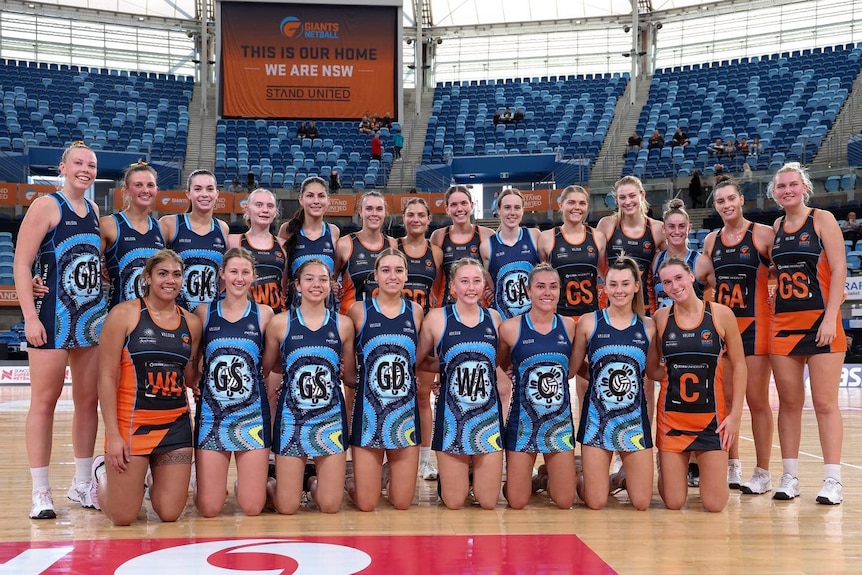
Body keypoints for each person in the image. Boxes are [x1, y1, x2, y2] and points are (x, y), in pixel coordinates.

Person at [13, 141, 109, 519]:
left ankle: (82, 483)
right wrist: (30, 317)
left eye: (92, 164)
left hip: (89, 317)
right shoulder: (45, 205)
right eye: (79, 163)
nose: (86, 169)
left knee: (88, 402)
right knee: (45, 402)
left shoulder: (96, 210)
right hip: (51, 317)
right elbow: (22, 264)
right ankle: (40, 491)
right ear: (63, 167)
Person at [90, 249, 203, 525]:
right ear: (148, 278)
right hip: (132, 425)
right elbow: (105, 377)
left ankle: (147, 477)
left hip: (175, 426)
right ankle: (101, 476)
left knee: (169, 513)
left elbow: (189, 377)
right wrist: (113, 435)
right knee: (123, 516)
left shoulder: (192, 323)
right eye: (162, 273)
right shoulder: (124, 315)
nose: (170, 280)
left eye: (177, 274)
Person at [768, 162, 846, 505]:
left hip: (820, 324)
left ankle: (833, 480)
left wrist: (831, 317)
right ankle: (790, 476)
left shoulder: (822, 219)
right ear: (774, 192)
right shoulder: (776, 225)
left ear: (804, 188)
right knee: (789, 404)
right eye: (781, 186)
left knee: (826, 403)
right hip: (783, 325)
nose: (787, 190)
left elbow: (841, 267)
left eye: (792, 185)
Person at [696, 176, 775, 495]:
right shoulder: (711, 241)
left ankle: (764, 471)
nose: (726, 205)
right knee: (726, 402)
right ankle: (733, 464)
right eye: (720, 201)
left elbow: (785, 271)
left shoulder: (763, 234)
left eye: (731, 199)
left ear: (741, 199)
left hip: (755, 329)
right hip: (723, 331)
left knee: (756, 402)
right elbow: (708, 281)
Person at [652, 256, 747, 512]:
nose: (674, 286)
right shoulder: (661, 318)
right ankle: (653, 470)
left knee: (715, 505)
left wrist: (736, 414)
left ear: (692, 277)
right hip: (672, 420)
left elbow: (739, 365)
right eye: (667, 282)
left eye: (679, 278)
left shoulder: (721, 314)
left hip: (710, 422)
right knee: (673, 502)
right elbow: (651, 369)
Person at [261, 258, 356, 514]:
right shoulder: (280, 323)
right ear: (298, 285)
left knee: (330, 506)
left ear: (331, 285)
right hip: (292, 421)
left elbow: (350, 377)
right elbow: (265, 368)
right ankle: (266, 485)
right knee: (287, 507)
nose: (317, 284)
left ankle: (313, 481)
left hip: (330, 420)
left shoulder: (344, 325)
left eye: (323, 279)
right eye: (310, 279)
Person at [569, 256, 660, 511]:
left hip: (633, 422)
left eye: (625, 284)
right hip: (597, 421)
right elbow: (573, 369)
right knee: (595, 502)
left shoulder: (649, 327)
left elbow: (653, 372)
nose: (619, 290)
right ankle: (576, 475)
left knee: (642, 502)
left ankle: (617, 477)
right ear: (605, 287)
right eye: (613, 284)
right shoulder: (589, 322)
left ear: (635, 287)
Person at [415, 258, 504, 510]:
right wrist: (446, 368)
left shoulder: (494, 319)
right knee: (454, 502)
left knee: (488, 502)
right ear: (453, 287)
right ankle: (454, 477)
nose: (471, 287)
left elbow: (499, 361)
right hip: (452, 419)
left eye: (477, 281)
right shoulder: (436, 318)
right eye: (464, 282)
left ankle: (474, 473)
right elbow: (418, 360)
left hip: (487, 419)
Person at [193, 248, 275, 517]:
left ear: (253, 276)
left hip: (251, 416)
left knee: (252, 507)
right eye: (233, 272)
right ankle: (208, 486)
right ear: (222, 275)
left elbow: (267, 365)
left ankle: (249, 483)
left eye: (245, 272)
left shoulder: (264, 314)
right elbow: (194, 363)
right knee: (209, 508)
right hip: (212, 416)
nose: (239, 278)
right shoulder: (204, 313)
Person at [347, 249, 424, 511]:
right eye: (386, 270)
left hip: (403, 415)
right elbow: (347, 365)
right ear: (376, 275)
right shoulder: (358, 311)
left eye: (399, 270)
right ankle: (353, 481)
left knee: (402, 503)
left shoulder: (416, 311)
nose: (393, 276)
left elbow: (419, 359)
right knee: (366, 504)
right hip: (369, 416)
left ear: (406, 276)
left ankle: (387, 473)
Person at [497, 263, 576, 510]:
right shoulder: (510, 328)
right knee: (517, 502)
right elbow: (500, 362)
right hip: (523, 423)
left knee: (564, 501)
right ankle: (521, 481)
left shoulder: (570, 326)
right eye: (540, 286)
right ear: (528, 290)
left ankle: (543, 477)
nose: (547, 293)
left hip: (558, 422)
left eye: (553, 287)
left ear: (560, 290)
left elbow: (574, 368)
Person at [397, 198, 445, 481]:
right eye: (410, 214)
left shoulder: (436, 253)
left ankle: (425, 460)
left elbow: (437, 293)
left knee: (423, 397)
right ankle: (395, 454)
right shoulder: (393, 247)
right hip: (396, 328)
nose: (415, 219)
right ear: (403, 218)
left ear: (429, 219)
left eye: (420, 214)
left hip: (423, 331)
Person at [159, 169, 229, 311]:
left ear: (217, 194)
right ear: (188, 194)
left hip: (209, 315)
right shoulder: (170, 224)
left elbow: (222, 276)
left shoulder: (222, 228)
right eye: (198, 189)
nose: (204, 194)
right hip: (174, 314)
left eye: (209, 189)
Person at [596, 175, 666, 316]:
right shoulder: (606, 225)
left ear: (642, 195)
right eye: (622, 197)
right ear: (616, 200)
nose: (628, 202)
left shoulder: (658, 229)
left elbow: (668, 263)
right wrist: (616, 282)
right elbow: (598, 263)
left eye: (632, 196)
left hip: (645, 302)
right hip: (613, 300)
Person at [102, 162, 166, 309]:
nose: (145, 190)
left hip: (154, 318)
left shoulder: (162, 228)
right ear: (125, 190)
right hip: (120, 316)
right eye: (138, 185)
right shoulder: (109, 225)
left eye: (150, 185)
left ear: (156, 189)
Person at [538, 185, 607, 320]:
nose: (577, 207)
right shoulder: (546, 238)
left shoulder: (598, 237)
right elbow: (541, 277)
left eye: (582, 203)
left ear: (587, 206)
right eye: (571, 202)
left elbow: (605, 275)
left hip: (591, 316)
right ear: (561, 204)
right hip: (559, 315)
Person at [278, 176, 341, 309]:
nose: (316, 201)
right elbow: (282, 274)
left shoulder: (333, 231)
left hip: (327, 311)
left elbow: (334, 276)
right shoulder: (287, 230)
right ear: (301, 199)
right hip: (295, 312)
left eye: (321, 196)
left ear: (328, 201)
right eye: (310, 196)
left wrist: (335, 284)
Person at [479, 189, 541, 320]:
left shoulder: (535, 236)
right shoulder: (487, 246)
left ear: (522, 210)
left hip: (533, 319)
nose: (512, 212)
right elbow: (490, 285)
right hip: (503, 320)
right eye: (507, 207)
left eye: (517, 208)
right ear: (499, 210)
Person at [430, 185, 494, 306]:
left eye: (464, 203)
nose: (459, 209)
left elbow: (495, 271)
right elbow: (435, 276)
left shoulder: (487, 235)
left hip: (480, 306)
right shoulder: (439, 236)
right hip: (448, 305)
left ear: (471, 205)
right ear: (447, 209)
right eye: (454, 205)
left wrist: (493, 290)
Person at [335, 190, 397, 315]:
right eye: (369, 208)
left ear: (385, 213)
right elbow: (331, 280)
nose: (374, 214)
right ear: (360, 212)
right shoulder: (344, 244)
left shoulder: (393, 244)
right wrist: (334, 287)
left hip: (383, 318)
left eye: (379, 209)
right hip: (351, 320)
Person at [228, 188, 287, 313]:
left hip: (275, 316)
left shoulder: (283, 245)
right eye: (259, 205)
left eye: (270, 206)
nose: (265, 210)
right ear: (247, 210)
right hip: (243, 314)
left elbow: (284, 284)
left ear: (275, 212)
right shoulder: (233, 241)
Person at [651, 199, 704, 310]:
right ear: (664, 228)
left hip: (692, 325)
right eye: (671, 226)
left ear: (689, 228)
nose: (676, 231)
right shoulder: (656, 260)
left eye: (681, 226)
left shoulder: (700, 262)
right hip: (663, 325)